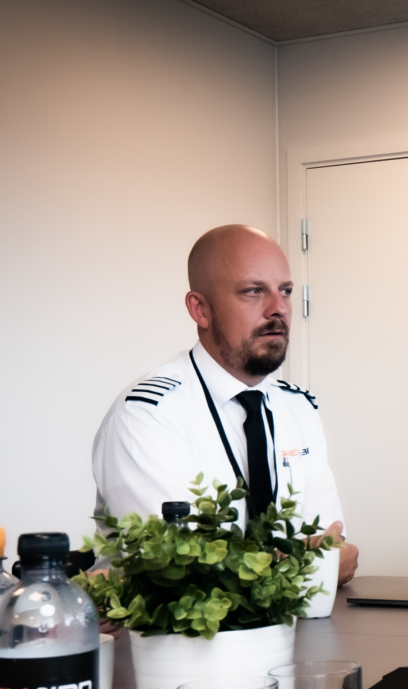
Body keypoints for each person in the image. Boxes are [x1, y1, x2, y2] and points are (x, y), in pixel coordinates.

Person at [91, 225, 358, 585]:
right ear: (200, 309)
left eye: (285, 291)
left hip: (305, 619)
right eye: (253, 291)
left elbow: (331, 545)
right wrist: (307, 564)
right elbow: (179, 574)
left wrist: (305, 562)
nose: (278, 308)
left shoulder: (298, 408)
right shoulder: (148, 415)